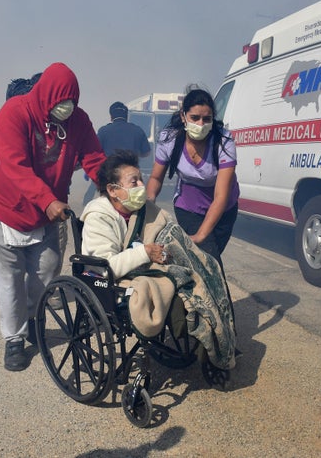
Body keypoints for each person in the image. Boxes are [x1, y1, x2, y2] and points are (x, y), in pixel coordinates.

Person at [0, 62, 106, 372]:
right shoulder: (14, 113)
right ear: (44, 95)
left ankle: (35, 320)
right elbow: (14, 166)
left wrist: (112, 186)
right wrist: (48, 200)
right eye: (60, 103)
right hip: (2, 206)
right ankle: (15, 340)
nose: (65, 109)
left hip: (44, 208)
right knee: (10, 279)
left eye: (70, 103)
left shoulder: (78, 120)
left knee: (46, 270)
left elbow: (94, 158)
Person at [81, 150, 235, 369]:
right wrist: (145, 253)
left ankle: (217, 341)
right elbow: (103, 268)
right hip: (111, 281)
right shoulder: (99, 217)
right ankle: (206, 345)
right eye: (133, 181)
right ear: (113, 190)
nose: (141, 185)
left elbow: (171, 235)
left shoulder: (146, 210)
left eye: (141, 179)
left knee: (206, 270)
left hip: (145, 267)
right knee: (178, 291)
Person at [146, 88, 240, 272]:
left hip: (224, 208)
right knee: (211, 264)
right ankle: (216, 301)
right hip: (189, 205)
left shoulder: (223, 140)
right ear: (183, 116)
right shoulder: (170, 139)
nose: (201, 123)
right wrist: (148, 206)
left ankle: (196, 297)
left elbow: (220, 197)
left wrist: (200, 235)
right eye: (195, 117)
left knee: (206, 258)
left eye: (207, 119)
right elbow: (156, 177)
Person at [83, 101, 150, 205]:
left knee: (106, 200)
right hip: (131, 173)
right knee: (133, 201)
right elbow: (146, 153)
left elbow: (95, 152)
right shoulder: (138, 130)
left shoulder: (103, 131)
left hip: (109, 173)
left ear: (111, 116)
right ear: (127, 116)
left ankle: (85, 207)